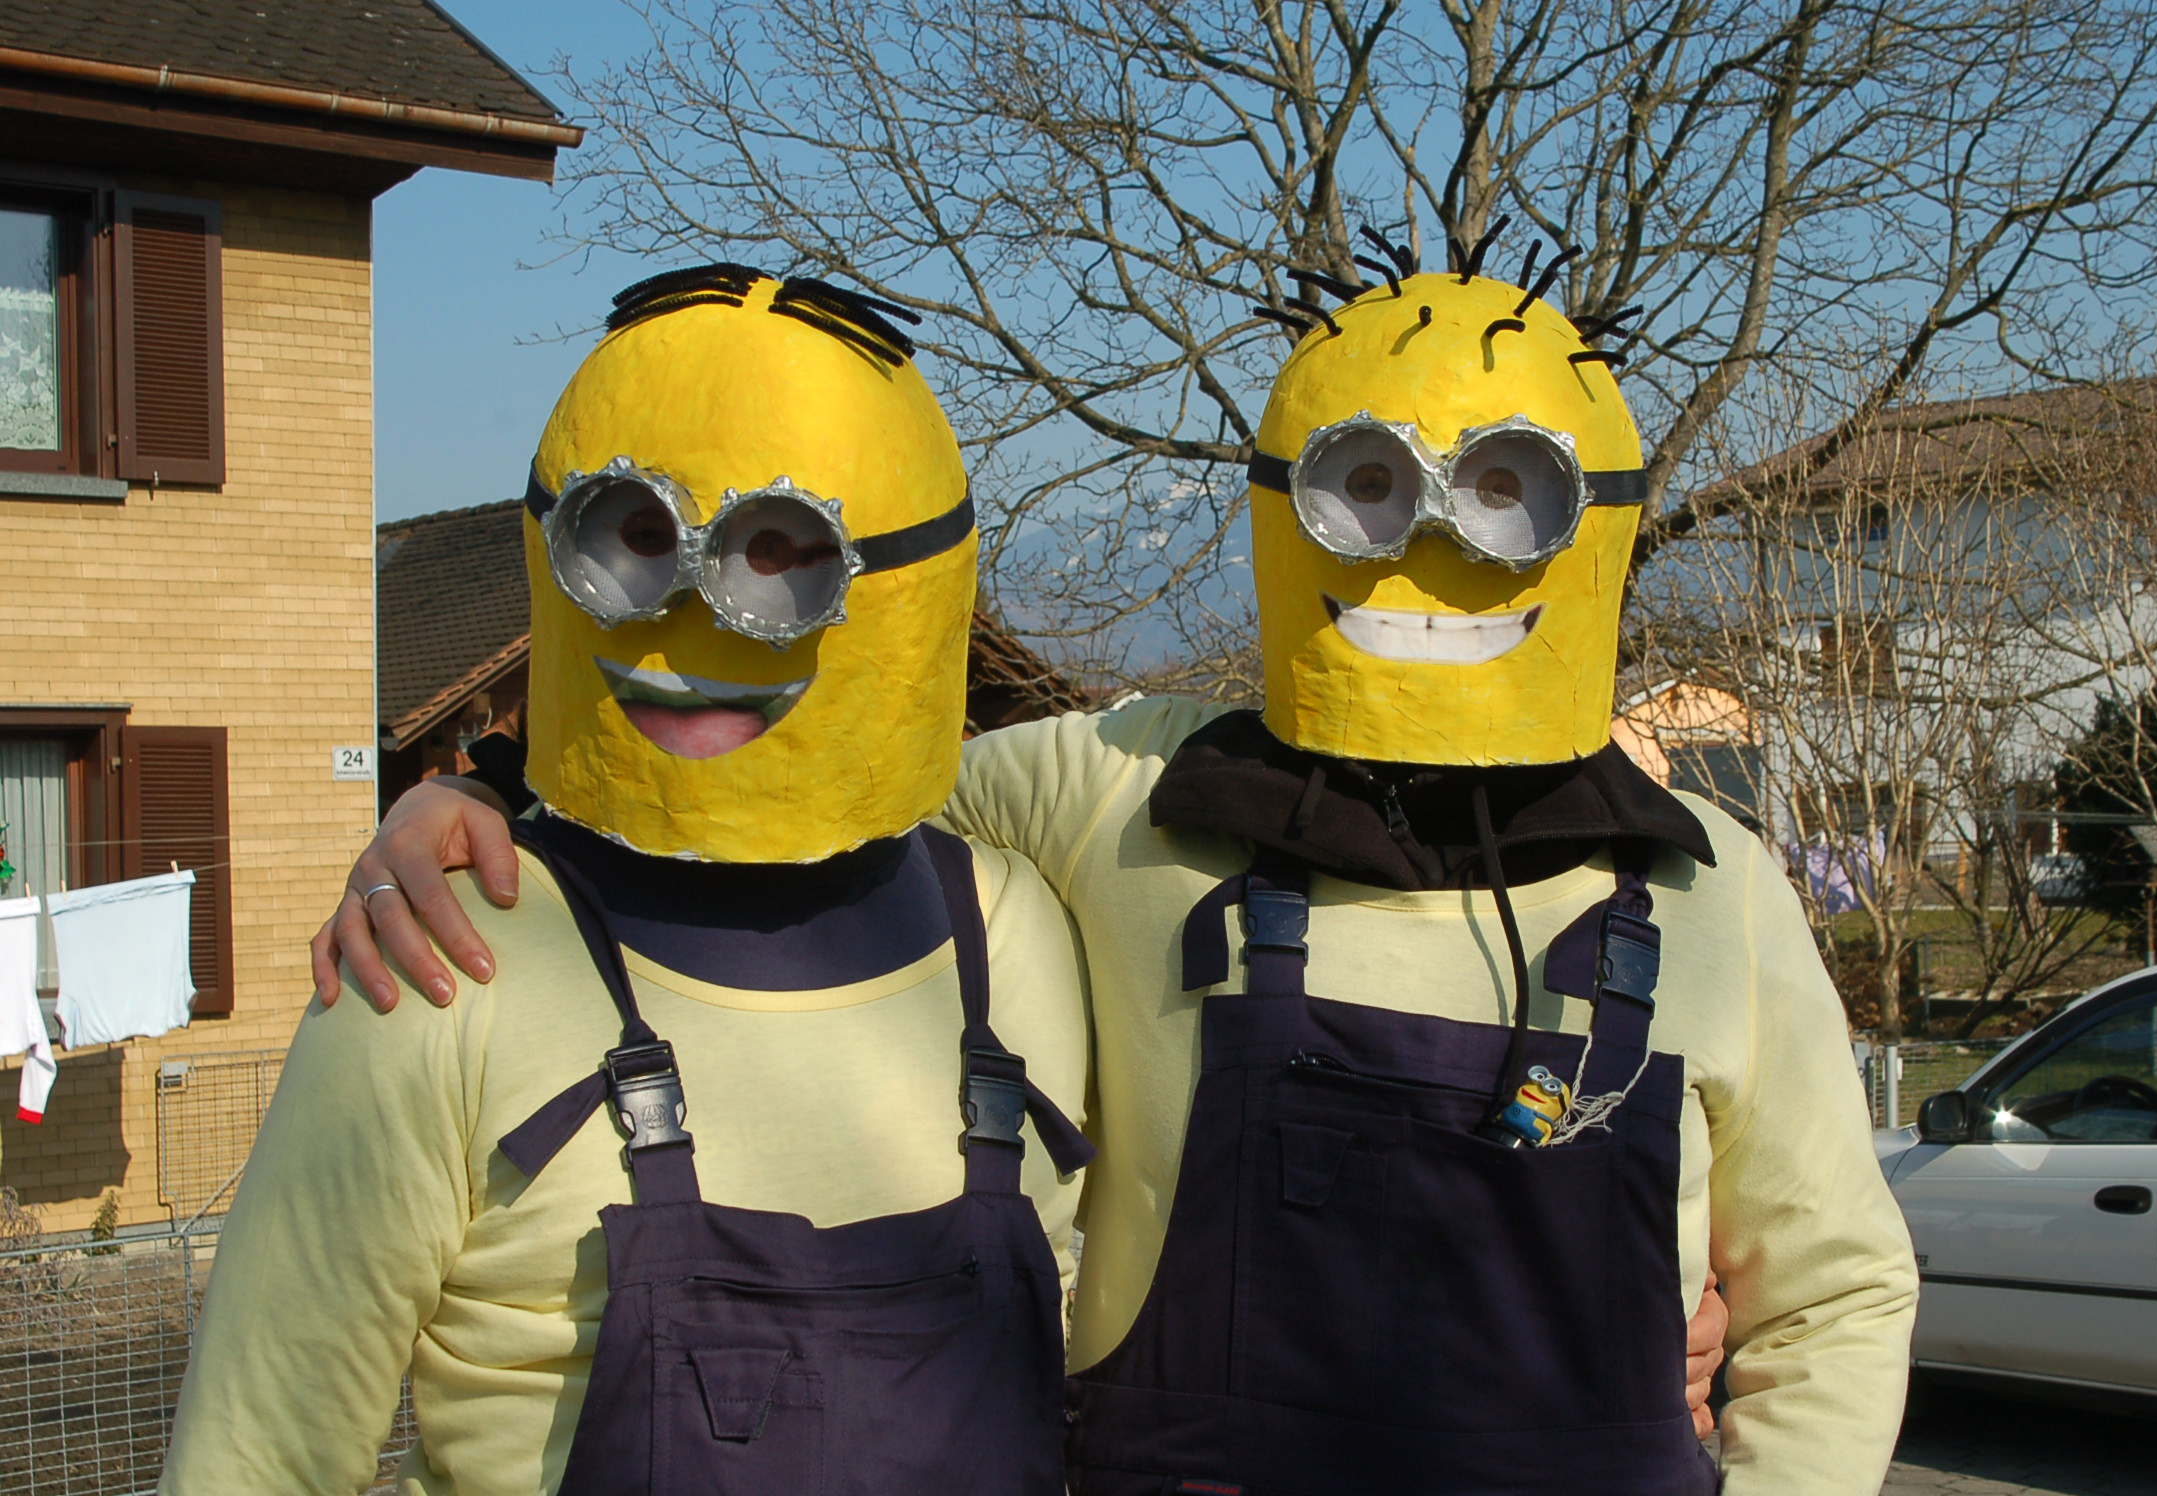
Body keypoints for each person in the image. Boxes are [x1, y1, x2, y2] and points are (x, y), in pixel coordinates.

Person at [321, 240, 1901, 1492]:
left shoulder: (1710, 891)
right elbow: (798, 776)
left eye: (1504, 497)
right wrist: (491, 793)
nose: (1429, 547)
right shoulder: (1120, 794)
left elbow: (1833, 1291)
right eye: (1367, 488)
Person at [164, 267, 1094, 1495]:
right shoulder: (441, 967)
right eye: (641, 538)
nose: (700, 621)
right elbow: (257, 1457)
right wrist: (485, 788)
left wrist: (482, 781)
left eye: (784, 552)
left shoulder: (1015, 934)